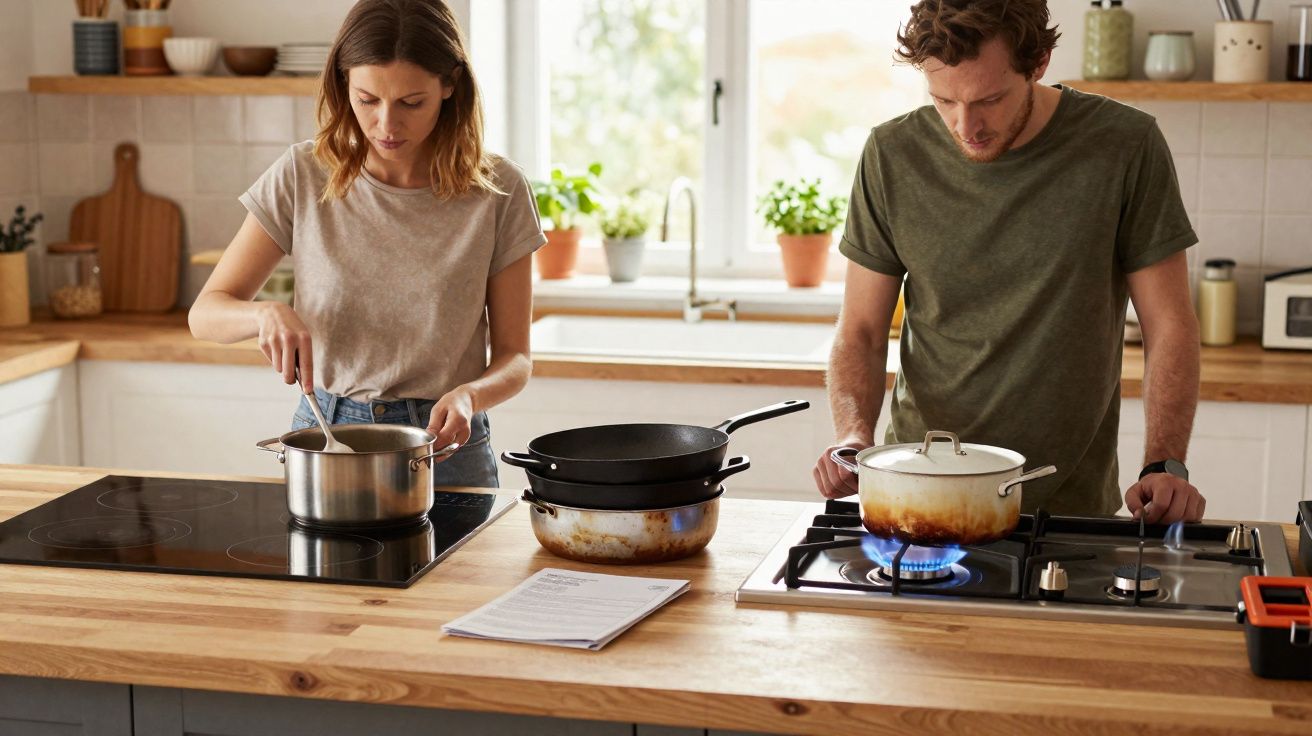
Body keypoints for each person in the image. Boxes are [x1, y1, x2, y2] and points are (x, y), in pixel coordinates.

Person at [813, 0, 1206, 524]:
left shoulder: (1124, 145)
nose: (965, 125)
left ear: (1039, 62)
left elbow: (1170, 325)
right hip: (918, 492)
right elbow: (860, 328)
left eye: (989, 99)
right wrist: (853, 436)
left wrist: (1165, 462)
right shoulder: (891, 153)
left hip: (1066, 502)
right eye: (943, 100)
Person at [189, 0, 544, 488]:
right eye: (367, 100)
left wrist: (470, 396)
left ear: (449, 85)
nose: (386, 125)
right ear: (343, 87)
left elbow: (515, 357)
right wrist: (262, 314)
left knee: (462, 569)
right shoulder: (303, 173)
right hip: (328, 433)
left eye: (410, 103)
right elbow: (205, 314)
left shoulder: (498, 190)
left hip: (445, 446)